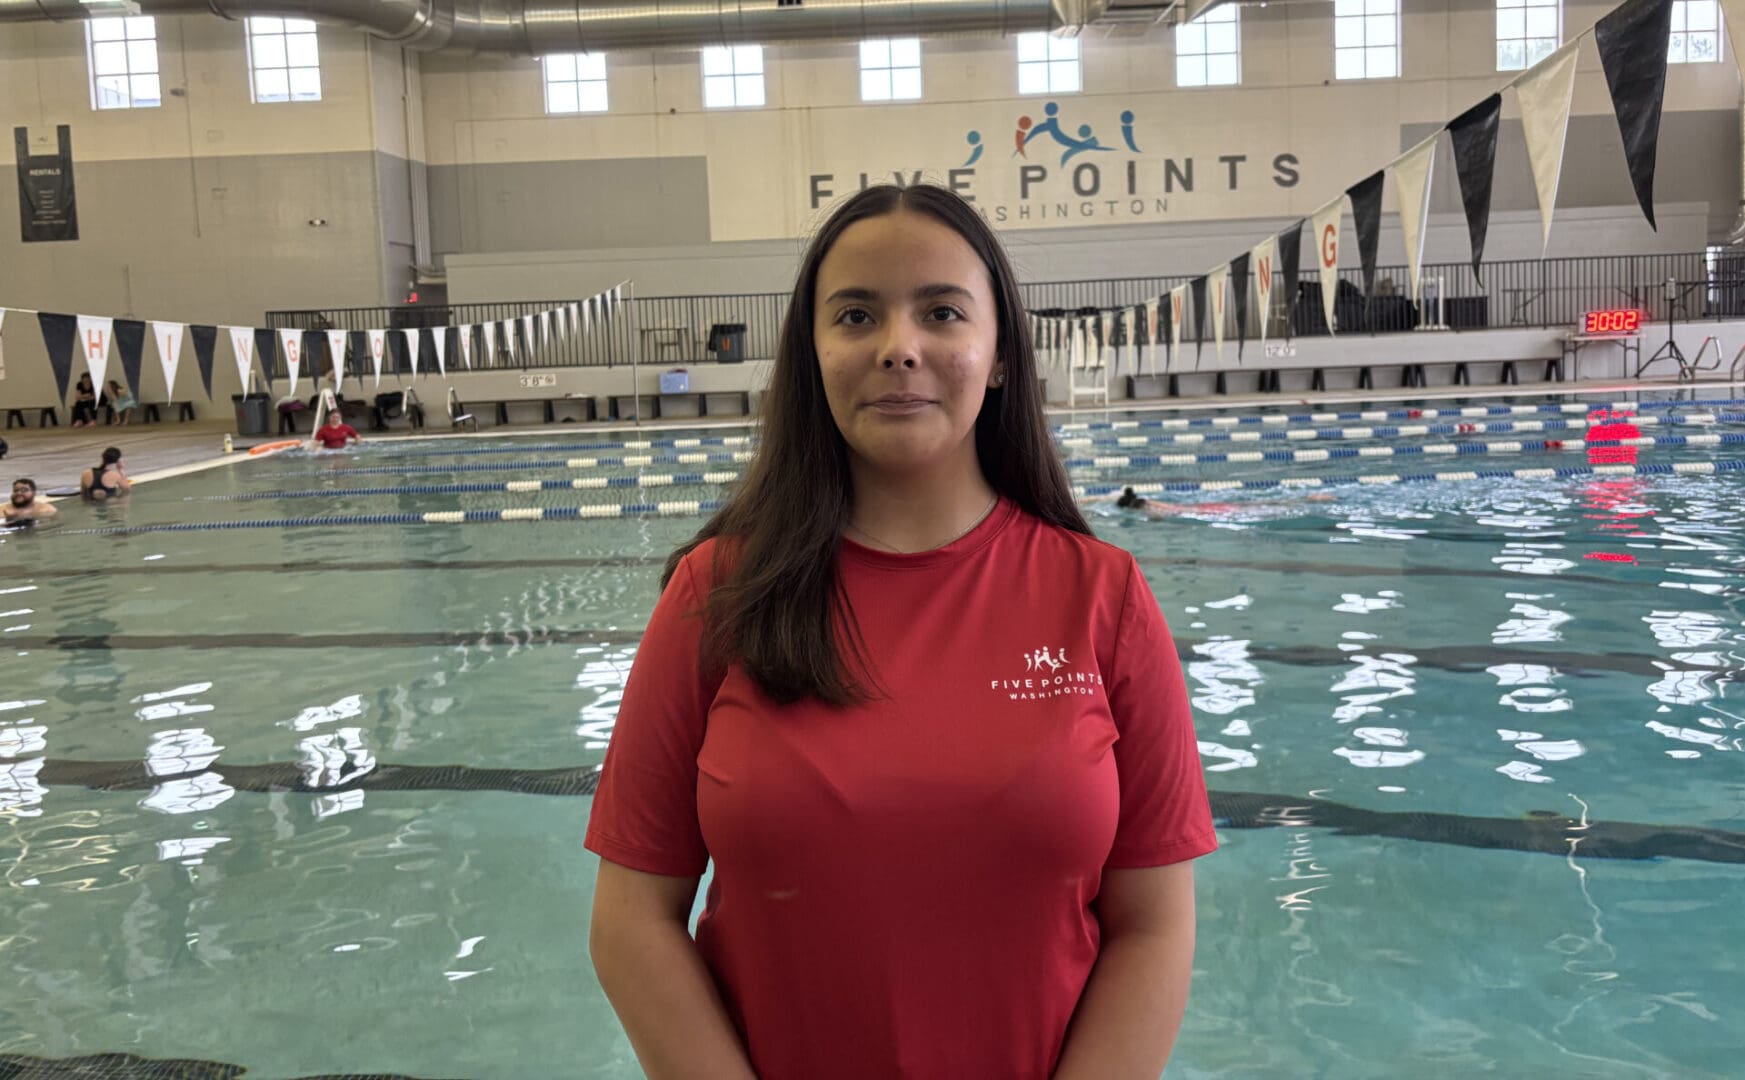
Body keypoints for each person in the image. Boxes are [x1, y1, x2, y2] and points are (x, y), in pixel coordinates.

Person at [585, 184, 1216, 1080]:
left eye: (942, 313)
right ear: (814, 354)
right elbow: (631, 921)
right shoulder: (718, 593)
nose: (898, 348)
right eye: (854, 315)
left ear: (997, 355)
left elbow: (1154, 925)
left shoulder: (1098, 596)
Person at [1084, 484, 1335, 520]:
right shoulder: (1149, 503)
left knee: (1263, 507)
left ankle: (1306, 500)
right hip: (1211, 509)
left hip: (1211, 511)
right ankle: (1306, 500)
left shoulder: (1154, 508)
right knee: (1261, 505)